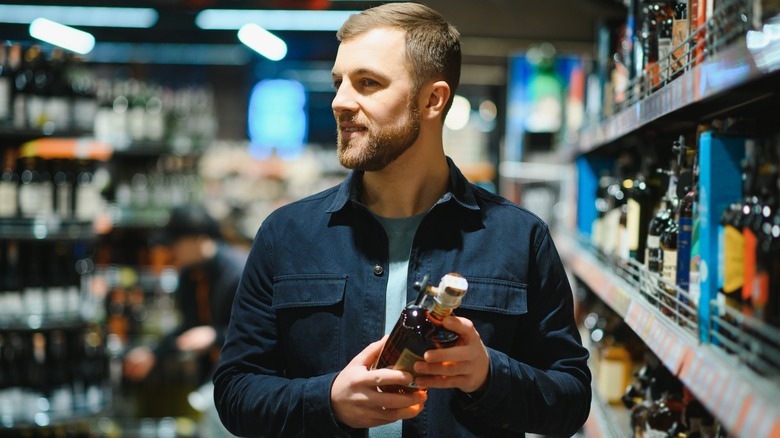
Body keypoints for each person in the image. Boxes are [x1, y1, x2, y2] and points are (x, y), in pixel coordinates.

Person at [213, 3, 591, 437]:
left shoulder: (520, 238)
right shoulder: (286, 235)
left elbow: (571, 400)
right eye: (339, 83)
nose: (340, 102)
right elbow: (235, 392)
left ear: (433, 99)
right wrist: (329, 400)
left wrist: (488, 374)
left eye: (367, 83)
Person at [124, 205, 246, 388]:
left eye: (176, 243)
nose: (171, 250)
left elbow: (258, 330)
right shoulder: (189, 274)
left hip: (244, 375)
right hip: (214, 374)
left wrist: (216, 335)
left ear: (200, 239)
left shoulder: (239, 272)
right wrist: (154, 354)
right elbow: (190, 324)